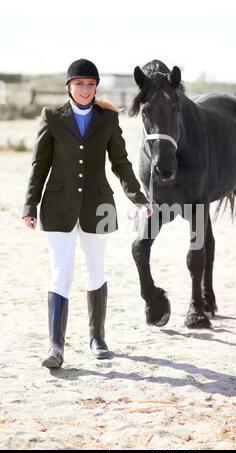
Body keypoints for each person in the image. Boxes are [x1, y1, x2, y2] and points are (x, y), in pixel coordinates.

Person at [22, 58, 151, 369]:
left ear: (96, 88)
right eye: (79, 83)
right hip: (57, 206)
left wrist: (138, 198)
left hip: (97, 206)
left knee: (95, 271)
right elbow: (40, 164)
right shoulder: (52, 116)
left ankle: (97, 337)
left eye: (91, 84)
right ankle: (55, 346)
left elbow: (120, 163)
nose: (85, 89)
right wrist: (30, 204)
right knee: (61, 272)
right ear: (69, 86)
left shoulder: (107, 118)